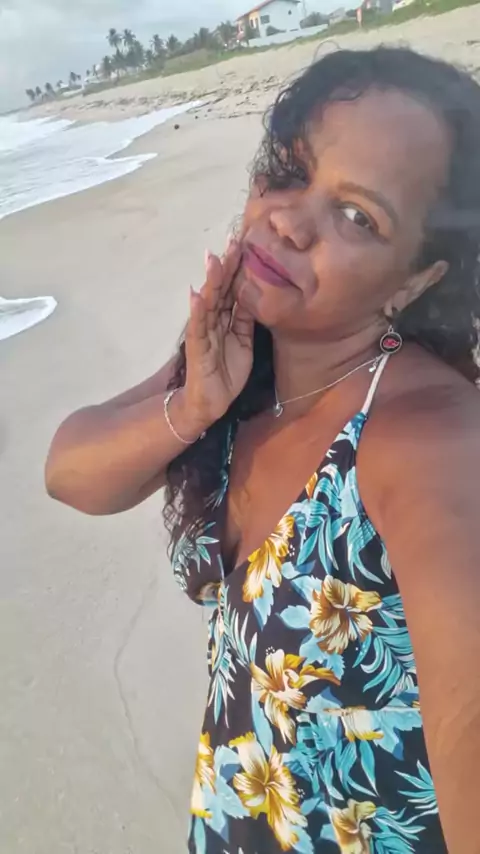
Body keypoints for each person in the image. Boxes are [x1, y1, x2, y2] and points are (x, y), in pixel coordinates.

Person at [45, 47, 480, 854]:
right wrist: (193, 406)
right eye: (289, 171)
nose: (288, 220)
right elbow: (70, 474)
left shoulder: (427, 438)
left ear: (414, 282)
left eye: (358, 216)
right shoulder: (250, 358)